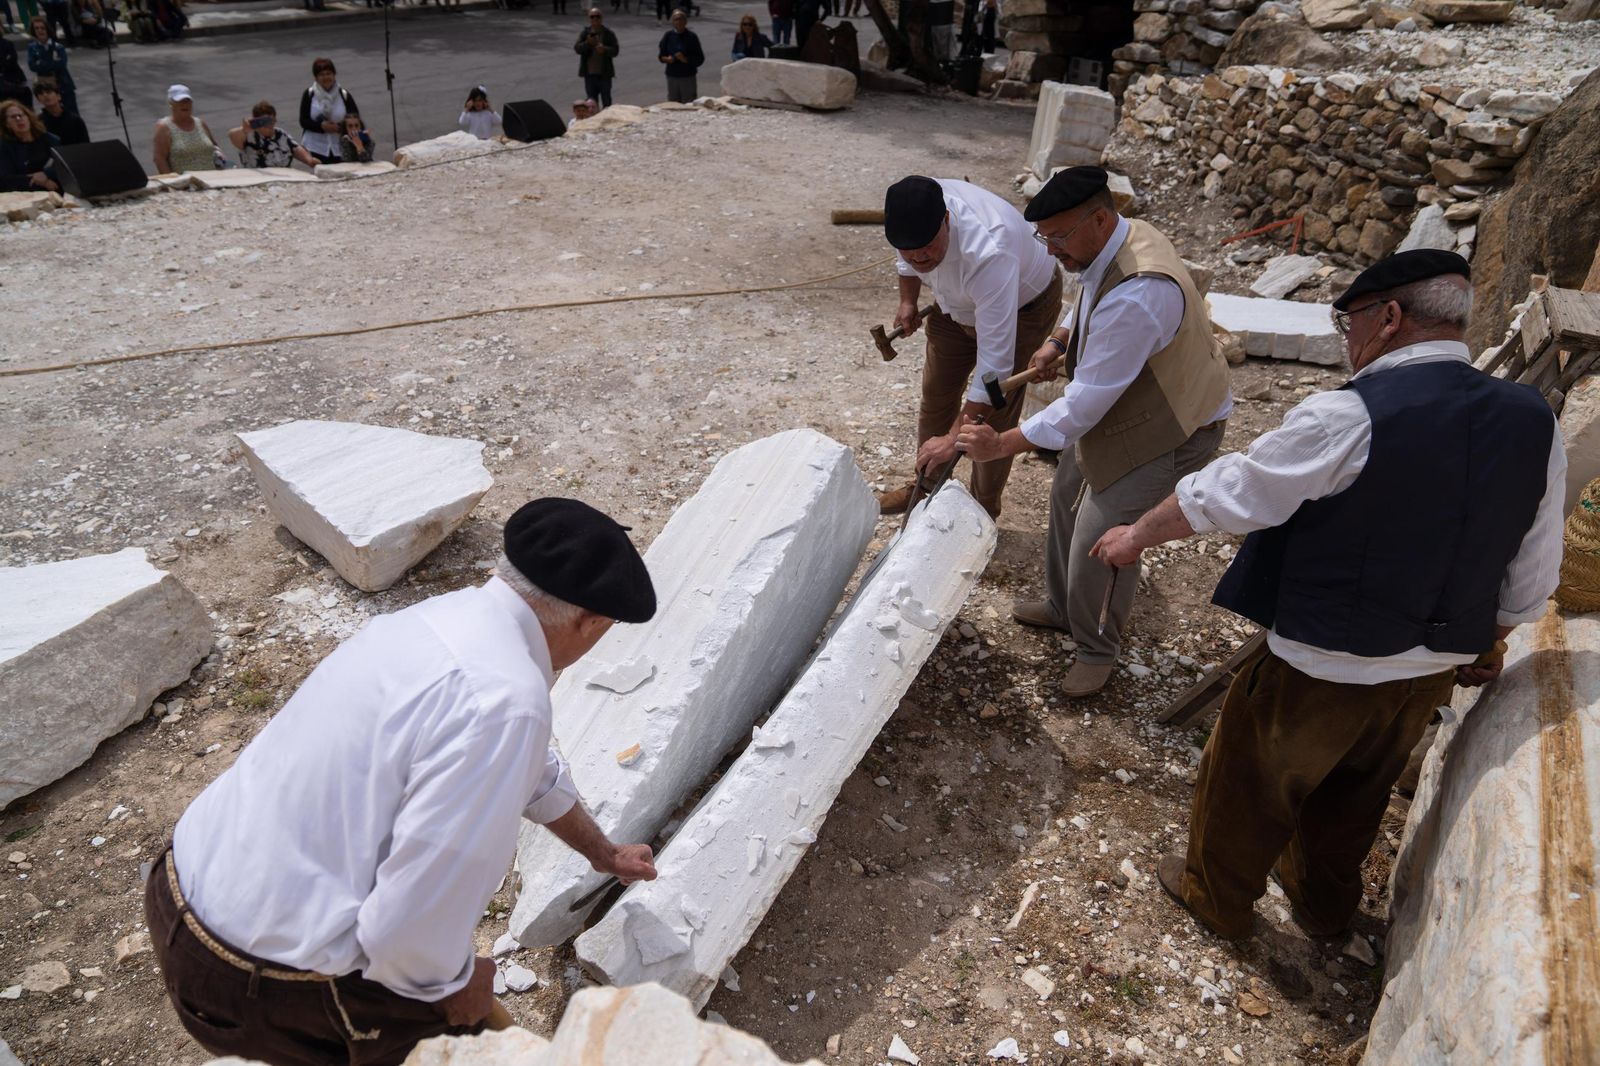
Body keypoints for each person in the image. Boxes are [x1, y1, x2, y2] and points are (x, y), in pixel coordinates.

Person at [1088, 250, 1565, 941]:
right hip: (1426, 674)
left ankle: (1215, 898)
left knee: (1248, 785)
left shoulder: (1349, 415)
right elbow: (1535, 560)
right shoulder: (1533, 418)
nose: (1347, 343)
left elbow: (1231, 492)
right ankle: (1323, 906)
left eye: (1350, 325)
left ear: (1390, 317)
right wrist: (1490, 635)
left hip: (1325, 663)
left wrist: (1136, 535)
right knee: (1356, 798)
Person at [148, 499, 662, 1066]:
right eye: (605, 630)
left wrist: (603, 853)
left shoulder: (432, 624)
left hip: (180, 893)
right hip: (261, 981)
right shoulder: (505, 702)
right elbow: (408, 932)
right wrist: (456, 982)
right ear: (590, 621)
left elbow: (532, 772)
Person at [955, 167, 1231, 697]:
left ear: (1100, 218)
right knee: (1064, 495)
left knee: (1102, 540)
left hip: (1175, 423)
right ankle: (1063, 608)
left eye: (1058, 238)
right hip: (1133, 404)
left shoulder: (1140, 293)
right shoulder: (1118, 239)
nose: (1052, 251)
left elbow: (1081, 407)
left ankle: (1097, 646)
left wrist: (1000, 444)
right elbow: (1087, 293)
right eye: (1045, 238)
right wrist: (1059, 341)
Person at [877, 174, 1063, 523]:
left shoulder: (990, 251)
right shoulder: (909, 213)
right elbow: (907, 260)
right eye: (910, 252)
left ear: (946, 220)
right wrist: (908, 300)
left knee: (992, 417)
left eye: (928, 249)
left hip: (1024, 305)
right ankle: (923, 489)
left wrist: (954, 438)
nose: (919, 258)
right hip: (954, 304)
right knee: (936, 395)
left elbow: (995, 370)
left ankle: (981, 513)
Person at [299, 57, 359, 165]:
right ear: (316, 77)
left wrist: (340, 128)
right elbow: (303, 121)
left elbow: (356, 119)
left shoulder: (344, 95)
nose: (326, 77)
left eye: (328, 73)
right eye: (322, 74)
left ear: (334, 75)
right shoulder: (309, 94)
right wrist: (321, 126)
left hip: (341, 147)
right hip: (316, 147)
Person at [152, 84, 222, 173]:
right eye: (179, 101)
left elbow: (215, 148)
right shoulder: (164, 127)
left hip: (212, 180)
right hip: (185, 184)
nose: (184, 104)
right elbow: (159, 159)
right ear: (171, 104)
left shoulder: (200, 123)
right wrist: (173, 183)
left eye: (187, 101)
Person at [227, 101, 318, 169]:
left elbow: (296, 149)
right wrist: (244, 130)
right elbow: (232, 135)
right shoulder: (248, 136)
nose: (268, 124)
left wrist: (309, 160)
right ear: (256, 121)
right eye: (264, 121)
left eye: (271, 120)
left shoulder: (281, 134)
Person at [0, 97, 59, 192]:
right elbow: (4, 178)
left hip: (54, 191)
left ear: (28, 117)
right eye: (13, 117)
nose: (19, 119)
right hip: (22, 194)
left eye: (21, 115)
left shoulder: (50, 140)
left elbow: (63, 165)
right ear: (6, 124)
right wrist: (41, 181)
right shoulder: (5, 146)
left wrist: (46, 175)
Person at [26, 17, 73, 116]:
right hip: (45, 85)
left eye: (42, 28)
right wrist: (51, 63)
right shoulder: (32, 48)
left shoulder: (58, 47)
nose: (40, 31)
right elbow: (32, 66)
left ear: (47, 29)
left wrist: (41, 63)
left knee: (70, 112)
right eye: (36, 28)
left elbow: (61, 64)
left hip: (63, 84)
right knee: (52, 112)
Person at [574, 8, 618, 110]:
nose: (595, 19)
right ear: (589, 19)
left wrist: (605, 50)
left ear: (601, 18)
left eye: (597, 16)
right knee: (591, 103)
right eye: (592, 17)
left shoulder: (608, 33)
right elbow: (577, 48)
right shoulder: (585, 33)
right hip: (590, 74)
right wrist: (587, 43)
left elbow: (615, 50)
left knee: (606, 101)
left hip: (604, 74)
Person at [657, 8, 703, 103]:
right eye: (676, 19)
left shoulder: (692, 37)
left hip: (687, 77)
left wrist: (685, 59)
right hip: (672, 76)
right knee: (673, 104)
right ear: (672, 22)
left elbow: (700, 58)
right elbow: (661, 56)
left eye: (681, 19)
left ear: (685, 21)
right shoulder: (668, 36)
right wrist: (667, 59)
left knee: (688, 104)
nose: (679, 21)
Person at [0, 39, 32, 110]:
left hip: (15, 81)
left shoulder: (7, 43)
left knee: (22, 105)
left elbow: (12, 60)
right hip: (3, 85)